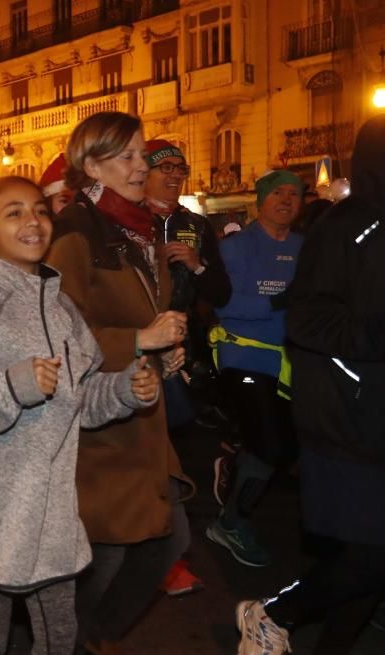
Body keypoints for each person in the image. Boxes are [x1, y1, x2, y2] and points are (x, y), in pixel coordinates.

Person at [0, 174, 160, 655]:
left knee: (60, 639)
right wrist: (13, 385)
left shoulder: (64, 311)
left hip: (49, 511)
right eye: (13, 212)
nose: (32, 221)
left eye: (39, 210)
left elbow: (80, 401)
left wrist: (123, 389)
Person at [234, 116, 385, 655]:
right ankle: (273, 613)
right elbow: (307, 318)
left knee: (372, 557)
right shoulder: (345, 227)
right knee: (371, 555)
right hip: (351, 418)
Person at [43, 112, 192, 653]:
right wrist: (138, 340)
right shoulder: (76, 233)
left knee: (160, 540)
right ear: (91, 166)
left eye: (141, 153)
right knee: (111, 552)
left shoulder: (135, 228)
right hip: (99, 422)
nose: (140, 165)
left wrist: (164, 349)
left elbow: (147, 311)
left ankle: (82, 639)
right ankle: (75, 641)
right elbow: (58, 336)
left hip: (141, 413)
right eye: (125, 156)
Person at [143, 139, 232, 597]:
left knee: (172, 455)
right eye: (165, 167)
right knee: (147, 459)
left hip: (182, 358)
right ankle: (158, 557)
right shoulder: (125, 222)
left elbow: (221, 292)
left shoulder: (196, 225)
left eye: (181, 167)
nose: (176, 174)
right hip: (133, 353)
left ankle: (167, 554)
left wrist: (197, 265)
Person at [205, 169, 304, 569]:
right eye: (277, 193)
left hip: (289, 362)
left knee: (288, 446)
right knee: (271, 446)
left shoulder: (305, 247)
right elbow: (223, 305)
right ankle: (229, 523)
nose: (286, 200)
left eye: (294, 194)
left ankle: (237, 463)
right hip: (243, 357)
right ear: (260, 200)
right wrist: (278, 303)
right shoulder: (236, 247)